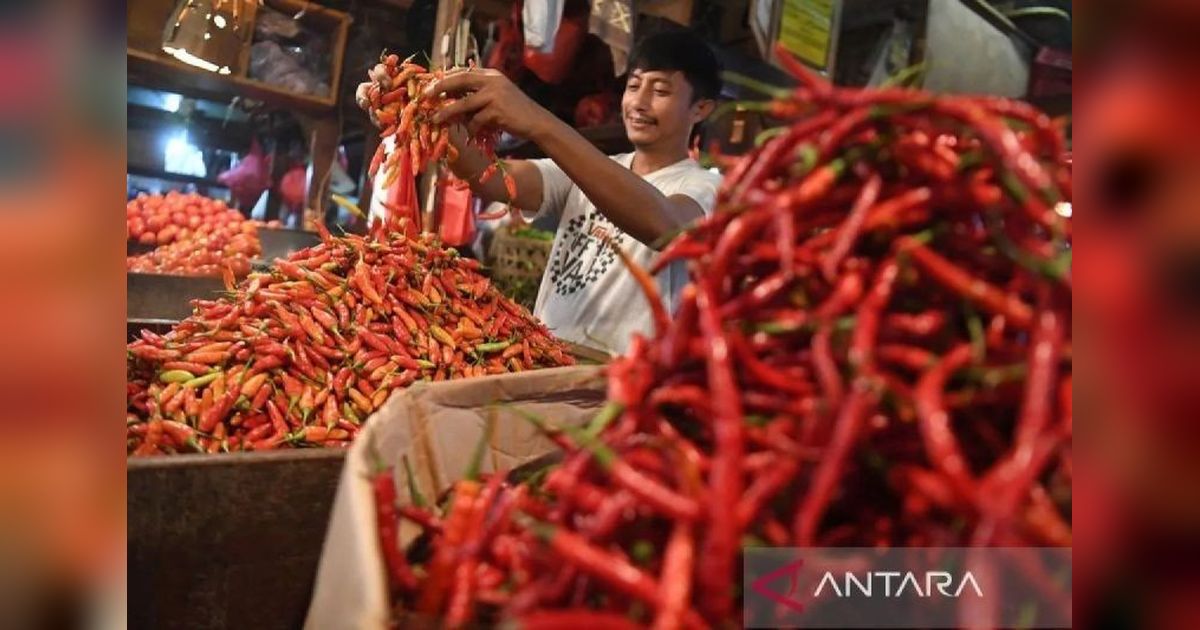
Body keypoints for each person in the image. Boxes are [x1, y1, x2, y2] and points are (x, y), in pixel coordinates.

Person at [372, 30, 723, 354]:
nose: (640, 102)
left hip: (620, 387)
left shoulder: (705, 186)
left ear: (702, 107)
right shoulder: (592, 167)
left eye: (660, 91)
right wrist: (419, 109)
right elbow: (489, 177)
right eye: (633, 87)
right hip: (548, 363)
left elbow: (669, 229)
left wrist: (538, 121)